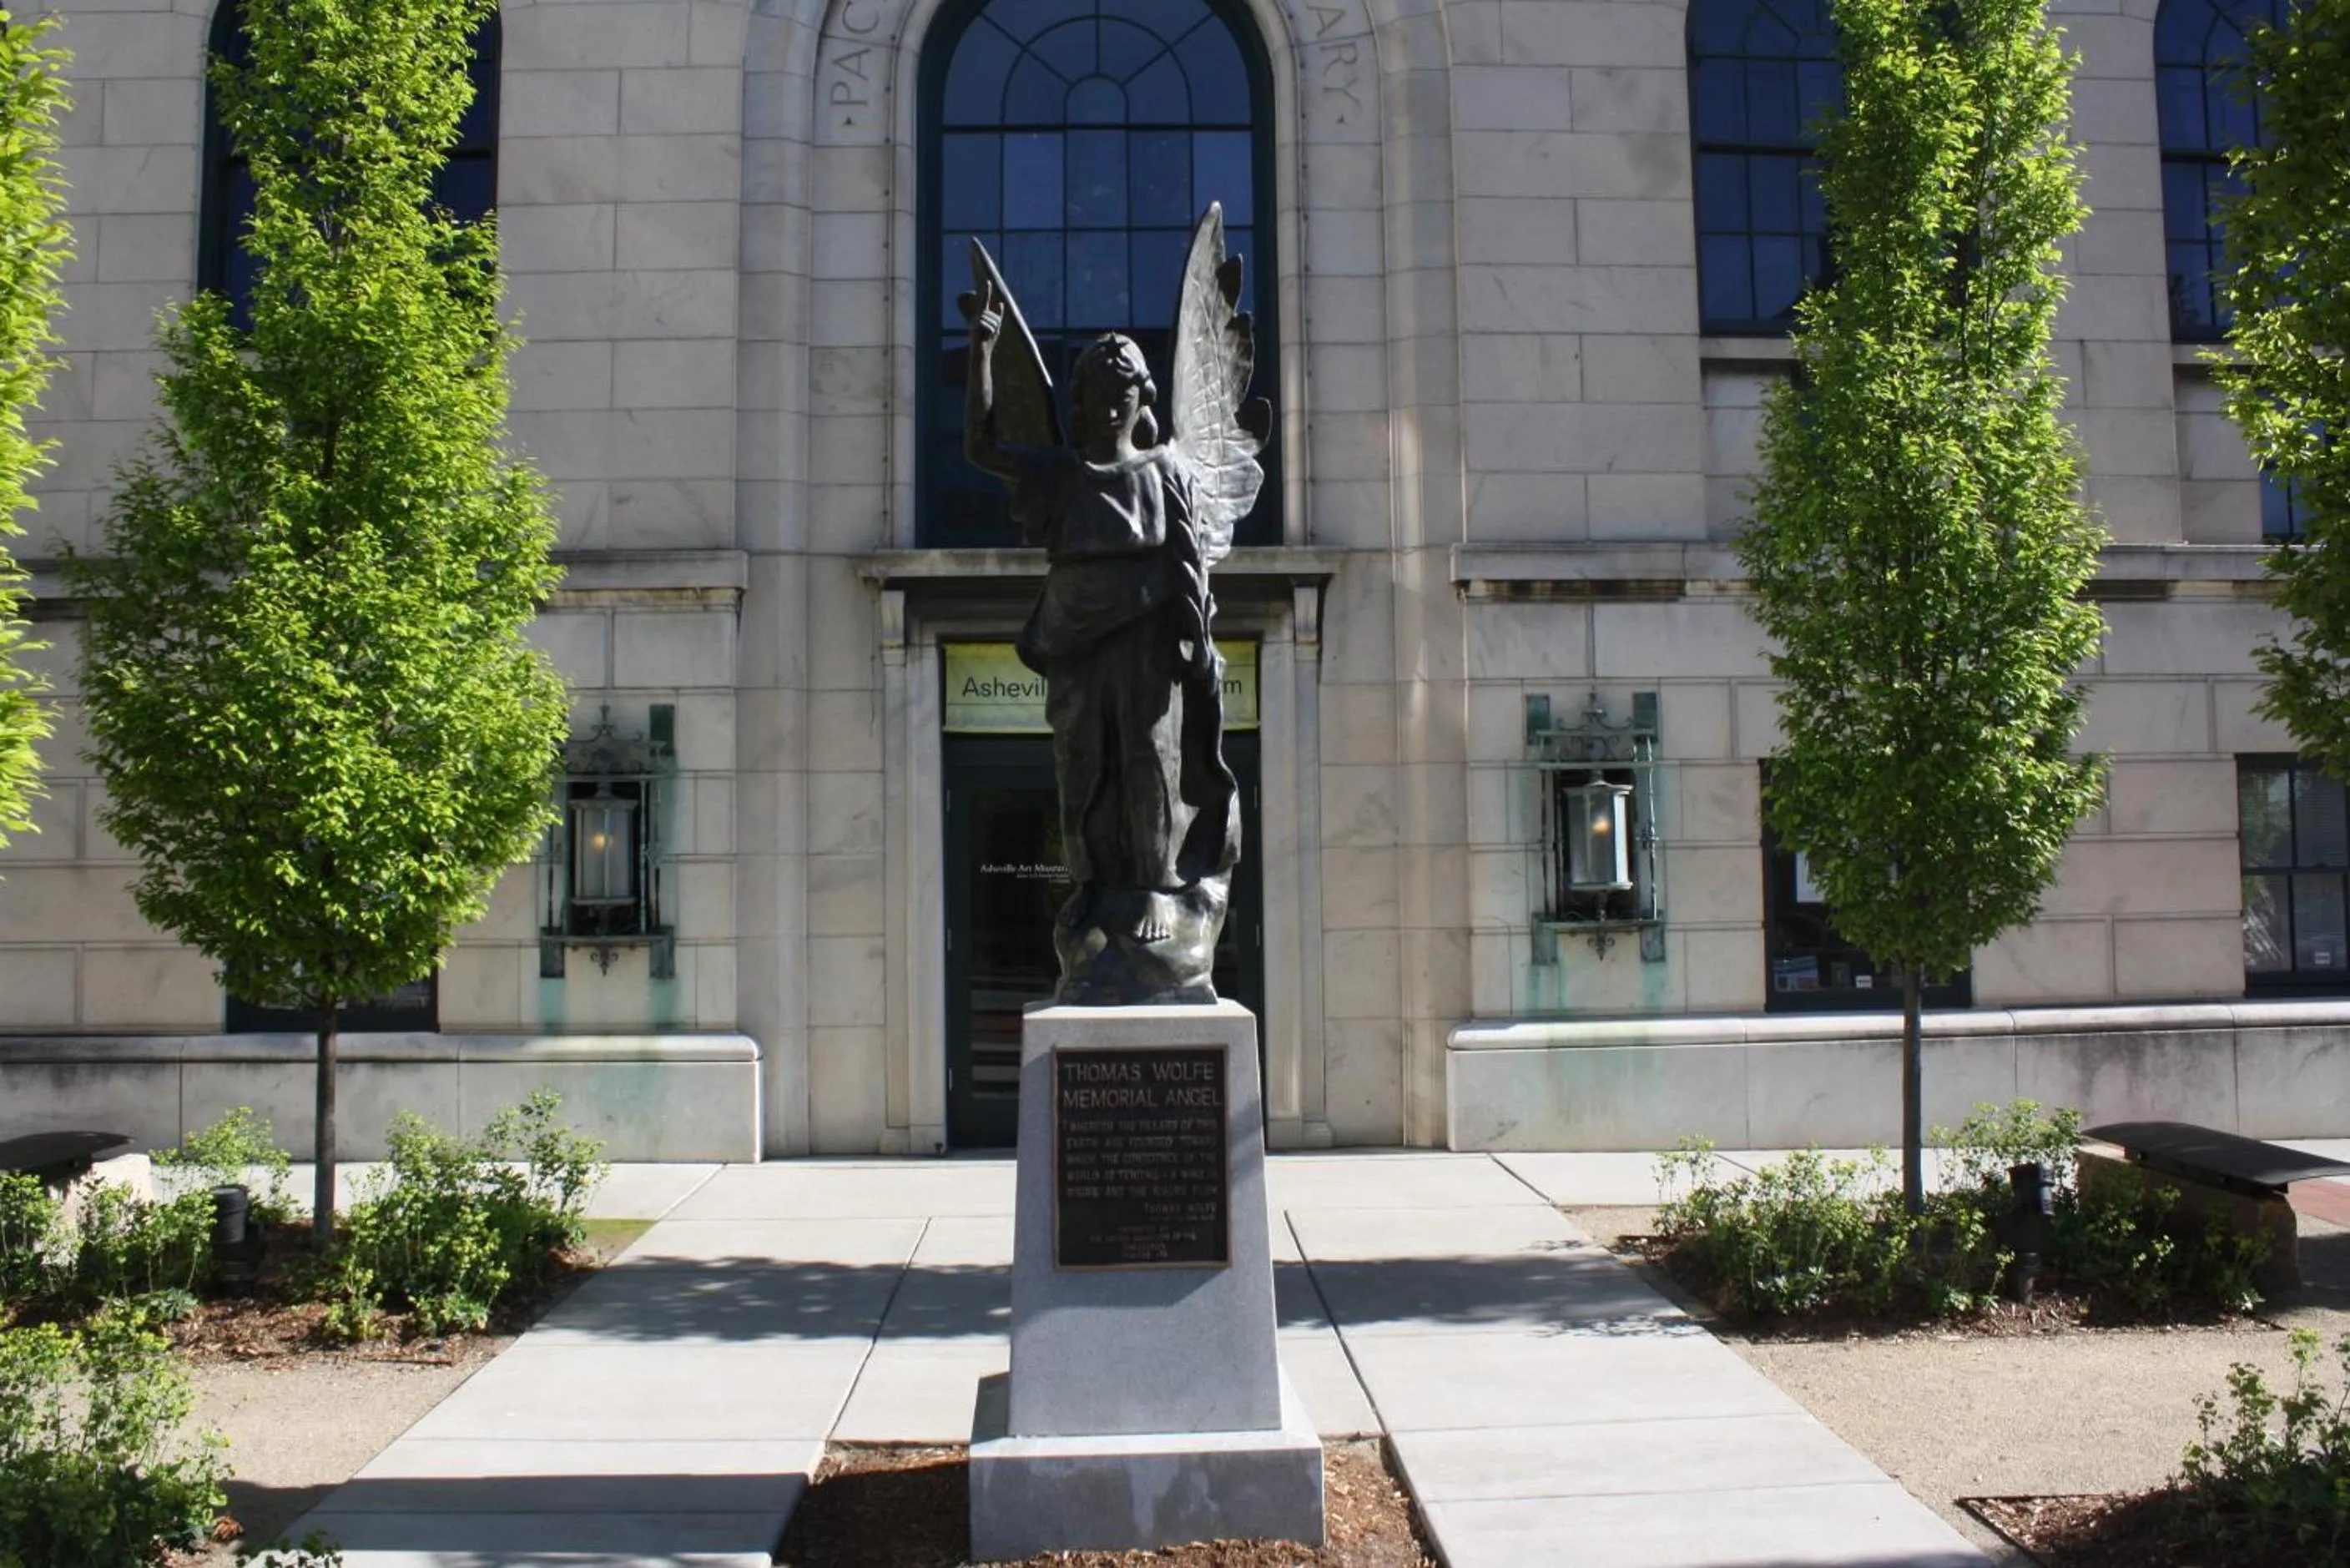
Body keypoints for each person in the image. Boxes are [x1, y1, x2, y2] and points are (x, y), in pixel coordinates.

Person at [962, 281, 1238, 1001]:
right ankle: (1092, 888)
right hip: (1077, 640)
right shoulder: (1063, 475)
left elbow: (1188, 558)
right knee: (1083, 765)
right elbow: (983, 446)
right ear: (1080, 400)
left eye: (1125, 391)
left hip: (1146, 641)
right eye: (1098, 392)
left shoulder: (1166, 470)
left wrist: (1198, 643)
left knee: (1150, 759)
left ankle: (1154, 890)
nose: (1112, 404)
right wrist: (982, 352)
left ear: (1143, 397)